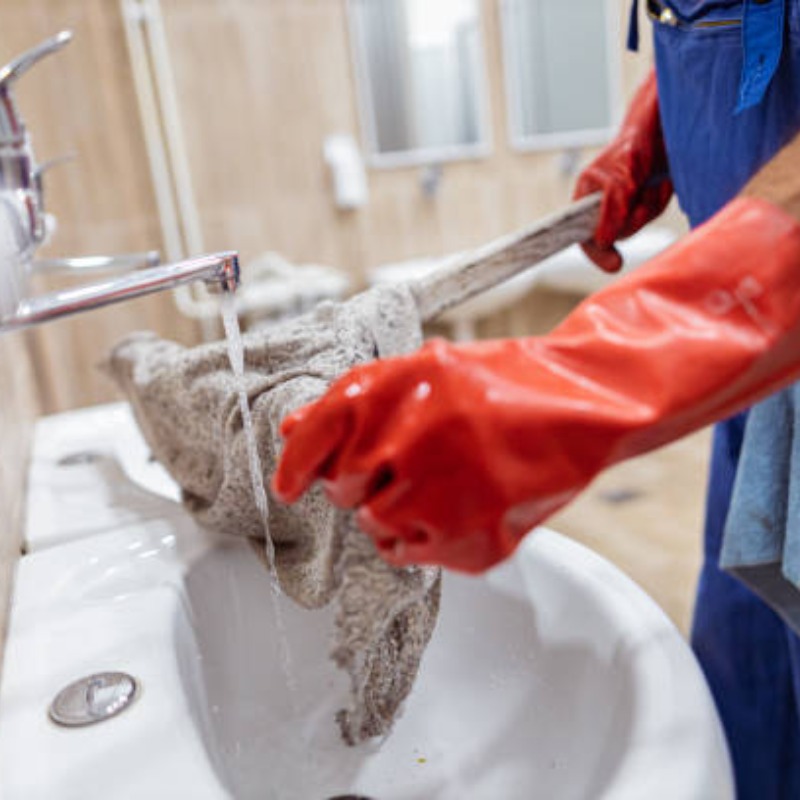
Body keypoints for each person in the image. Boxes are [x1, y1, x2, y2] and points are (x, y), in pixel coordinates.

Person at [274, 2, 800, 795]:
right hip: (757, 401)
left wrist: (569, 386)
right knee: (743, 692)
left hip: (769, 326)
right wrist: (658, 129)